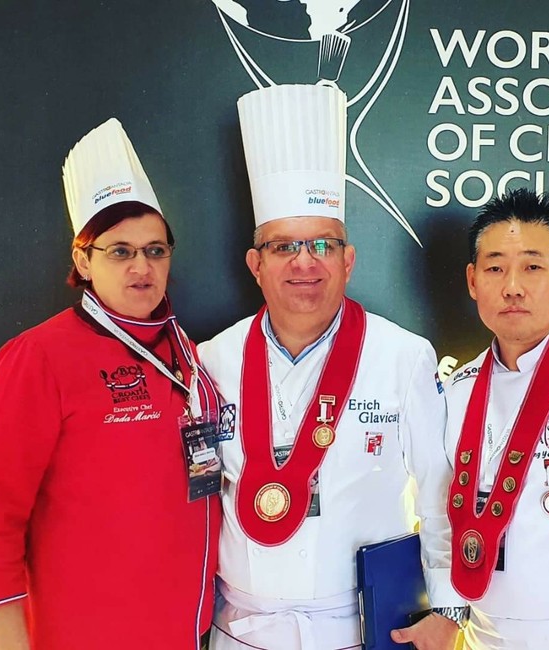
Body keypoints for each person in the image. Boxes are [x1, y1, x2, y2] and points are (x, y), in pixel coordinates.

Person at [198, 83, 465, 650]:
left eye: (323, 244)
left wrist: (448, 609)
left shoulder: (403, 356)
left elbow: (441, 489)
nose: (304, 262)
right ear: (255, 264)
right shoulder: (212, 359)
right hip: (240, 629)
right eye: (283, 246)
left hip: (363, 630)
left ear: (348, 261)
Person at [0, 118, 220, 650]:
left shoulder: (184, 350)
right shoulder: (38, 357)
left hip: (183, 630)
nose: (141, 266)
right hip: (81, 634)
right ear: (83, 260)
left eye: (155, 250)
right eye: (120, 251)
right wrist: (9, 640)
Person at [444, 188, 549, 649]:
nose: (512, 286)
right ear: (473, 280)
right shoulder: (455, 390)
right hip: (482, 635)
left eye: (532, 267)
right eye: (495, 268)